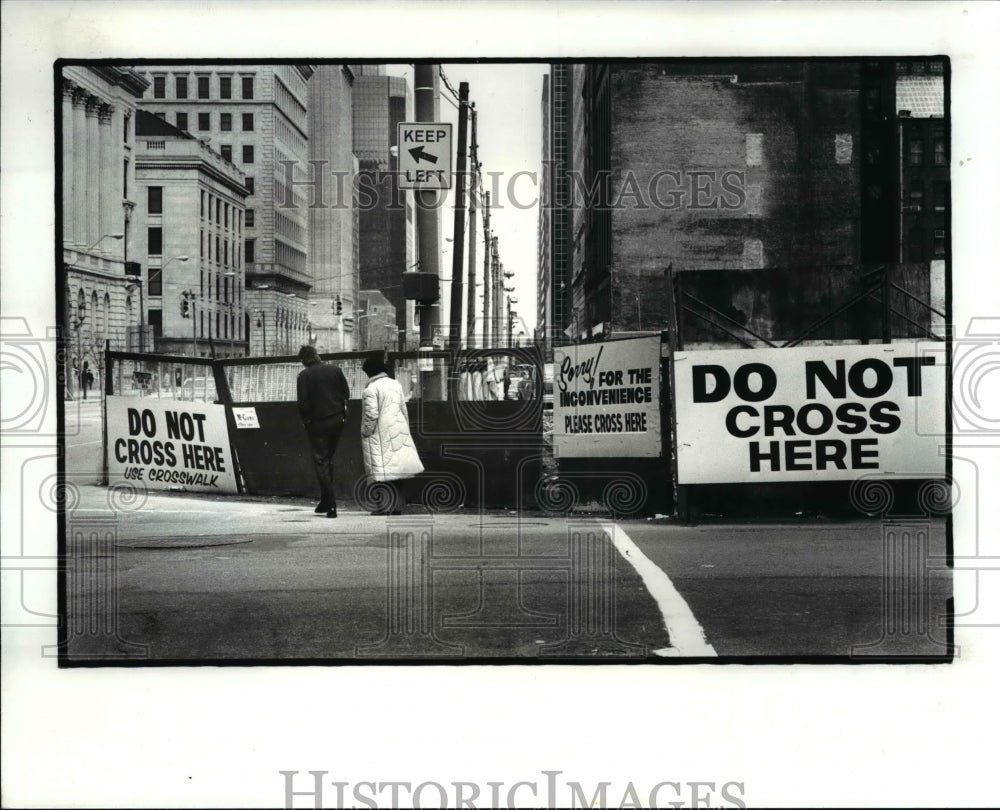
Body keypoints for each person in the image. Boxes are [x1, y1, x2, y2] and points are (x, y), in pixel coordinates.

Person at [360, 357, 424, 515]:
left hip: (379, 434)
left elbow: (371, 415)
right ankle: (397, 507)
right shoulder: (396, 385)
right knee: (397, 472)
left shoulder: (371, 389)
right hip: (398, 431)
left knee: (382, 472)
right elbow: (404, 410)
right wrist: (404, 429)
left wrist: (366, 431)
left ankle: (384, 508)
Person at [296, 345, 351, 518]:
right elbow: (347, 394)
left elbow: (303, 403)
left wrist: (306, 421)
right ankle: (325, 501)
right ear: (317, 355)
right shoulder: (335, 370)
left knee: (321, 462)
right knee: (328, 460)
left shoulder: (304, 376)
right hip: (337, 420)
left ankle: (331, 504)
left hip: (317, 424)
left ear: (304, 360)